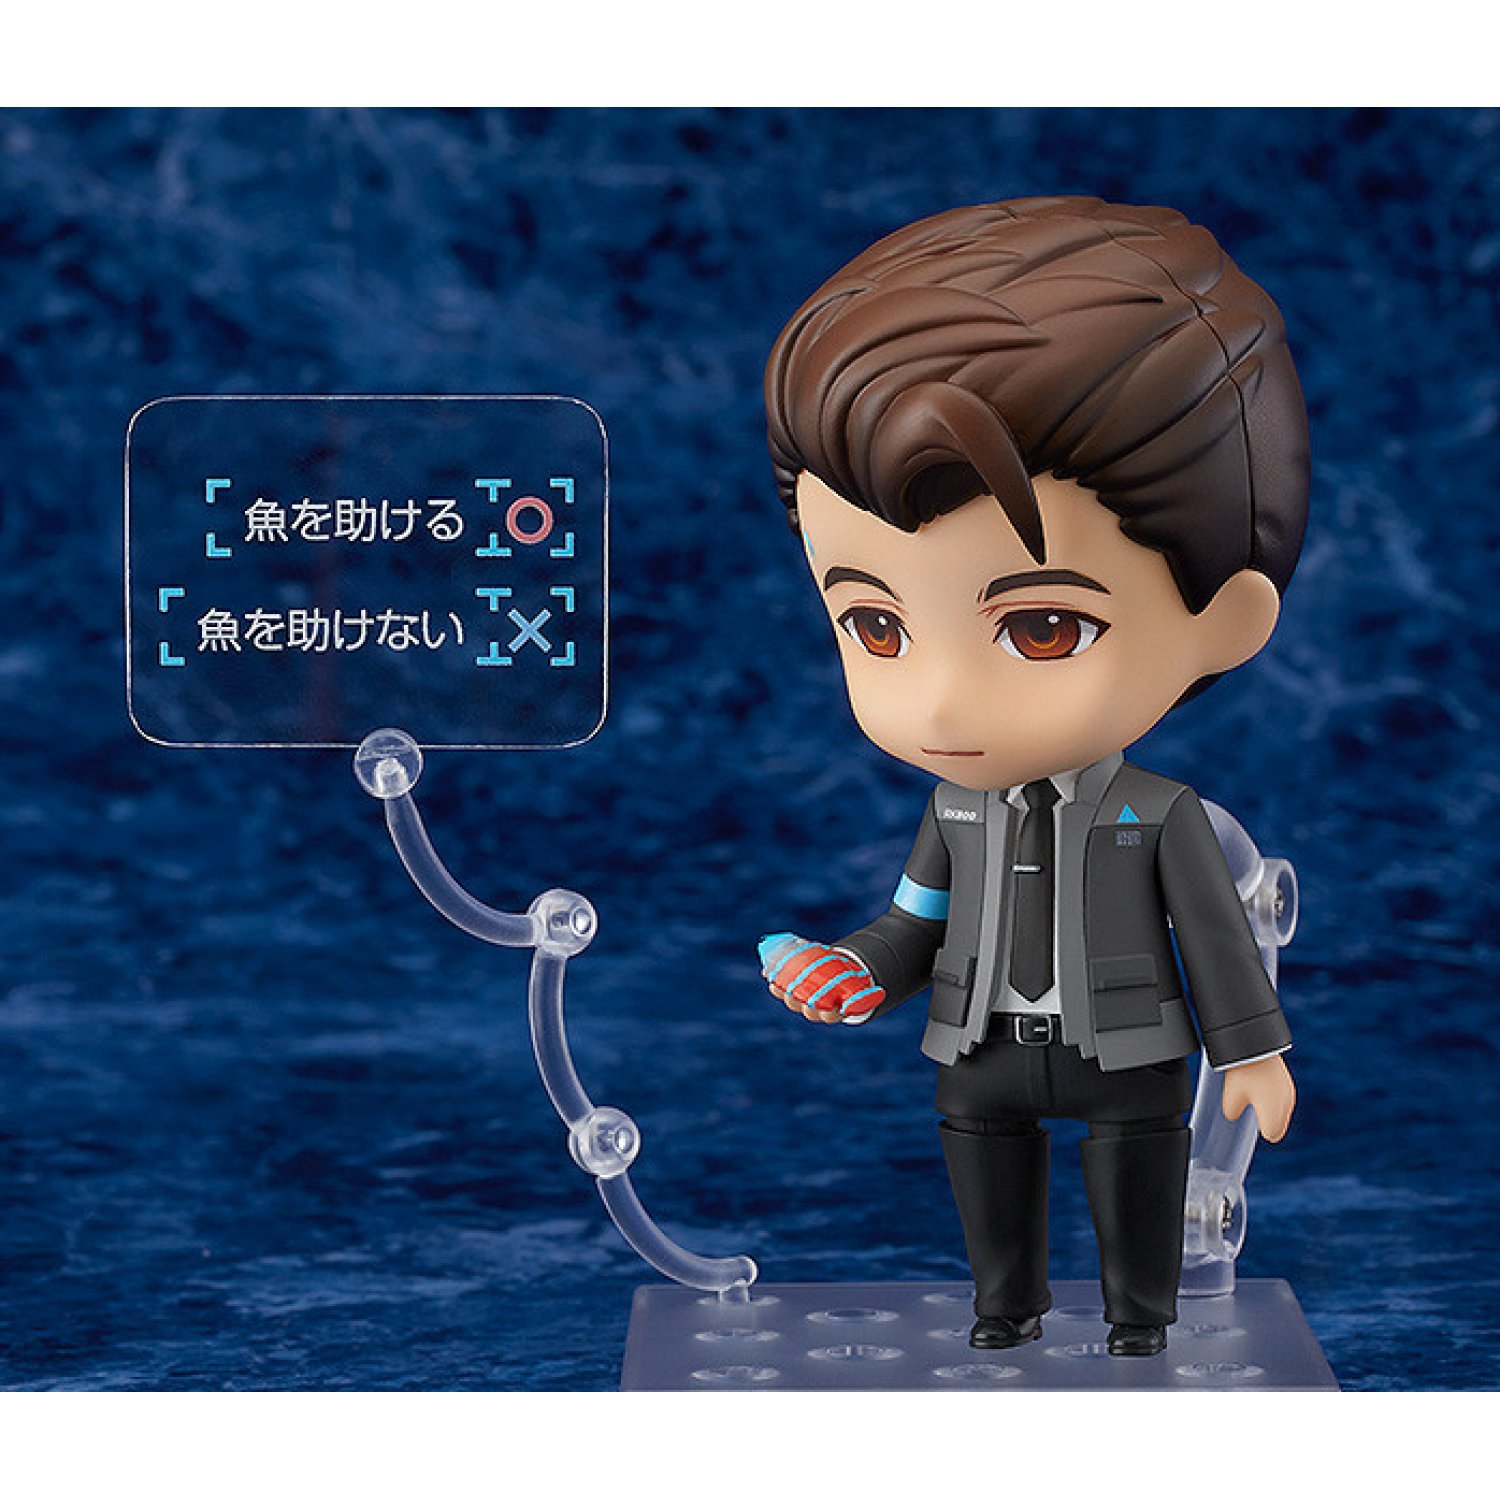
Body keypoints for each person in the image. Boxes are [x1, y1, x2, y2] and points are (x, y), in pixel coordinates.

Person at [758, 196, 1307, 1357]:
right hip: (982, 1044)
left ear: (1222, 622)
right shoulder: (952, 808)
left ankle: (1139, 1318)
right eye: (876, 626)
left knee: (1136, 1181)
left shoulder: (1160, 815)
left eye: (1042, 628)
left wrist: (1252, 1051)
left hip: (1130, 1046)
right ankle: (1003, 1305)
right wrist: (853, 968)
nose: (940, 706)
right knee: (987, 1178)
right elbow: (914, 924)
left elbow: (1218, 936)